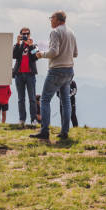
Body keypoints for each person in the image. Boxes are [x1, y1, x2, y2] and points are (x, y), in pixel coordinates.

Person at [31, 11, 78, 140]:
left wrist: (41, 54)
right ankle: (65, 131)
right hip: (69, 69)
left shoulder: (55, 32)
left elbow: (54, 52)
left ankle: (44, 131)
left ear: (57, 20)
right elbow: (75, 53)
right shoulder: (71, 32)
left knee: (45, 100)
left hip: (56, 70)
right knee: (66, 101)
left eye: (51, 18)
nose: (50, 20)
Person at [12, 27, 39, 126]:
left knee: (32, 98)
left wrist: (31, 46)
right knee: (21, 99)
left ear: (30, 34)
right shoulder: (18, 45)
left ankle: (33, 119)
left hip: (30, 75)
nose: (25, 35)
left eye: (27, 34)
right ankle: (22, 119)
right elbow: (14, 55)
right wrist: (18, 43)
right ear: (20, 35)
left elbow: (35, 57)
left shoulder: (34, 45)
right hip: (19, 74)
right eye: (24, 34)